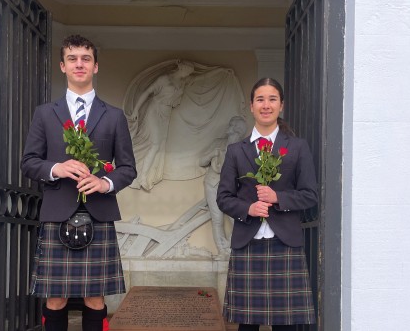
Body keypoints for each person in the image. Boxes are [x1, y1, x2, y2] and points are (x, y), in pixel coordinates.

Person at [21, 34, 136, 331]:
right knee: (56, 298)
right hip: (57, 212)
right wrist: (57, 167)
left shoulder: (114, 117)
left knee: (94, 299)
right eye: (72, 59)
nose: (79, 64)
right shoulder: (45, 114)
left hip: (98, 212)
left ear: (96, 66)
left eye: (86, 58)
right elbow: (29, 162)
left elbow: (127, 168)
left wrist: (105, 183)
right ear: (63, 66)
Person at [216, 78, 317, 331]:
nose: (266, 105)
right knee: (247, 326)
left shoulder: (297, 147)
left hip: (285, 243)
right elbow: (224, 197)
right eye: (260, 99)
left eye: (272, 99)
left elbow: (309, 195)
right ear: (251, 106)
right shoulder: (236, 151)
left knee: (286, 326)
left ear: (281, 105)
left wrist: (278, 198)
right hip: (248, 243)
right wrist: (248, 209)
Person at [128, 61, 195, 190]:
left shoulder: (182, 82)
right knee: (155, 144)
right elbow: (147, 92)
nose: (188, 74)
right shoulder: (164, 79)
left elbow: (202, 78)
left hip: (166, 114)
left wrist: (219, 71)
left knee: (159, 146)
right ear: (181, 68)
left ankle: (145, 175)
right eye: (187, 71)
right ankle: (141, 177)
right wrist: (136, 109)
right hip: (154, 110)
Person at [199, 116, 247, 256]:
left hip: (234, 187)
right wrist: (212, 154)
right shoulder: (218, 144)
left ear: (238, 130)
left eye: (231, 125)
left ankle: (234, 248)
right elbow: (201, 161)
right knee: (217, 219)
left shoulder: (244, 148)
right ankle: (222, 252)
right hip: (213, 183)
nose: (228, 127)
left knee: (235, 219)